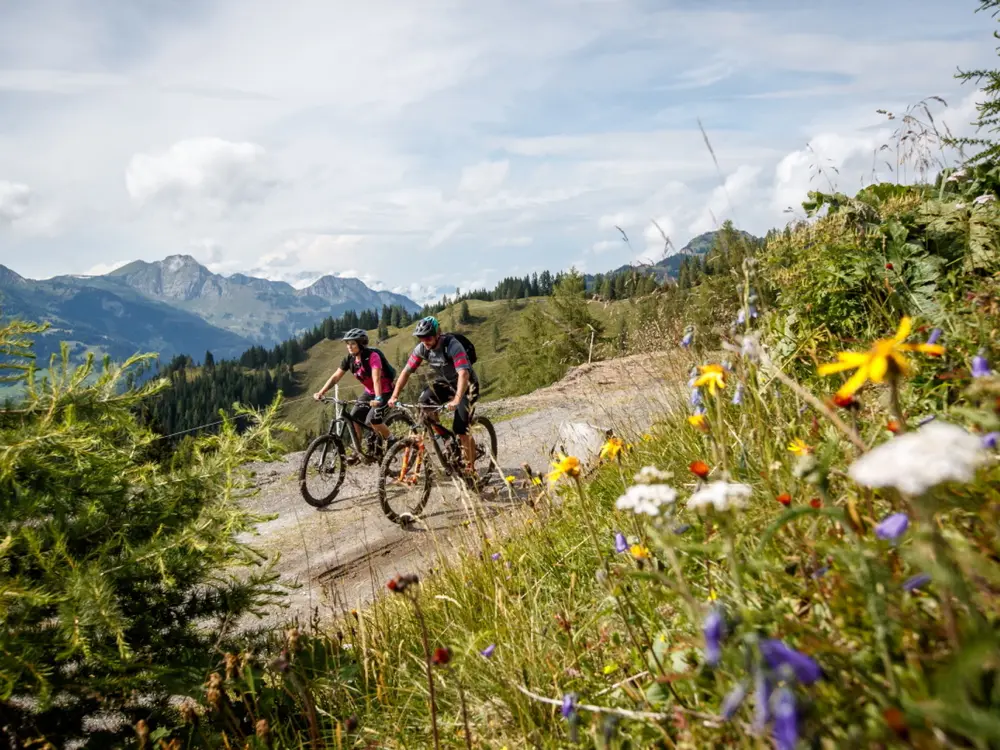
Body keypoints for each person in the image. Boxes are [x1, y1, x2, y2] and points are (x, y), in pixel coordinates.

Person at [387, 316, 479, 472]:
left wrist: (457, 399)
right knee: (424, 403)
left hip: (467, 386)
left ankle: (471, 471)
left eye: (428, 337)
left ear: (438, 334)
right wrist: (394, 396)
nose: (425, 341)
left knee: (461, 429)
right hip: (446, 384)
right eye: (421, 337)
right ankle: (446, 438)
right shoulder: (422, 348)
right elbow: (406, 372)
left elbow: (463, 374)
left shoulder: (452, 346)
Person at [314, 328, 395, 462]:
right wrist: (321, 392)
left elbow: (376, 379)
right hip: (369, 392)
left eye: (352, 343)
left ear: (361, 344)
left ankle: (392, 439)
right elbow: (335, 377)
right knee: (354, 417)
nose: (349, 347)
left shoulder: (373, 356)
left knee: (373, 420)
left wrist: (378, 398)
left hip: (385, 392)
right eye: (347, 344)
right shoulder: (349, 359)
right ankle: (359, 452)